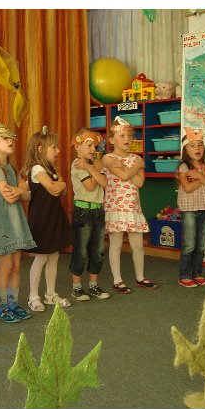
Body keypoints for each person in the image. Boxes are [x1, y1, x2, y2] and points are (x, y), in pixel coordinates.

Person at [0, 124, 36, 323]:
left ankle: (13, 304)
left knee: (16, 266)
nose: (10, 141)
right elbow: (10, 197)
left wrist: (20, 190)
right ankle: (3, 307)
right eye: (4, 138)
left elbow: (26, 195)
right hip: (2, 225)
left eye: (11, 138)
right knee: (5, 267)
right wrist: (21, 190)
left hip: (15, 222)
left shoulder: (11, 168)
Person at [102, 116, 158, 294]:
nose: (127, 139)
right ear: (112, 140)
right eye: (122, 136)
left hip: (133, 209)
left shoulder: (135, 158)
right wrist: (135, 166)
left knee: (138, 245)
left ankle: (140, 277)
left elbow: (139, 182)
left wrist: (128, 167)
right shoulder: (108, 158)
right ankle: (117, 280)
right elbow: (124, 176)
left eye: (130, 136)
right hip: (116, 208)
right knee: (116, 244)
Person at [21, 126, 72, 311]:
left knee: (54, 257)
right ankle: (33, 296)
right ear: (41, 149)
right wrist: (61, 184)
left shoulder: (51, 168)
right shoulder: (36, 168)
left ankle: (50, 294)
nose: (58, 151)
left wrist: (62, 185)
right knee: (41, 258)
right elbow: (53, 189)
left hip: (54, 218)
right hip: (42, 220)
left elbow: (63, 191)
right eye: (54, 147)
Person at [69, 128, 111, 301]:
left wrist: (91, 168)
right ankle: (76, 288)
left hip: (98, 211)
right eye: (89, 145)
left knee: (98, 250)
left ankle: (93, 285)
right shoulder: (77, 164)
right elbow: (91, 186)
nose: (93, 149)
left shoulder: (92, 164)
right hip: (83, 212)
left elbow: (104, 182)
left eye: (94, 146)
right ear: (77, 147)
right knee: (81, 250)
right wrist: (93, 168)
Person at [176, 128, 205, 287]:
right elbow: (188, 188)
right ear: (185, 150)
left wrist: (200, 176)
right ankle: (184, 275)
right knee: (190, 244)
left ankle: (197, 273)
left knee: (201, 245)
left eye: (200, 145)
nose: (197, 148)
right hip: (189, 210)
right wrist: (204, 177)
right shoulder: (184, 167)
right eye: (192, 145)